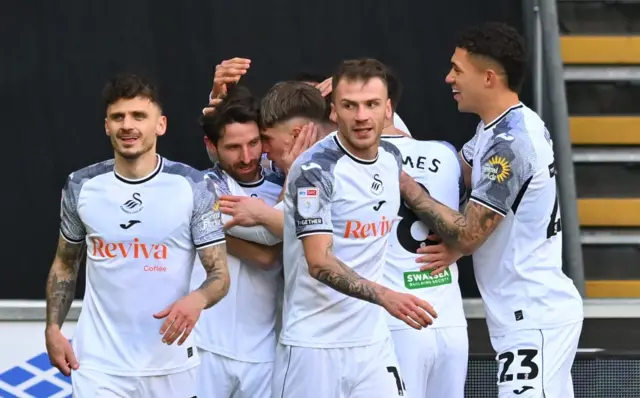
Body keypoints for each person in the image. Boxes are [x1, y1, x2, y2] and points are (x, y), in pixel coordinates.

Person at [399, 22, 584, 398]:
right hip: (525, 313)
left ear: (487, 78)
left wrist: (412, 192)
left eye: (457, 69)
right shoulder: (499, 128)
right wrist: (377, 123)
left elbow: (468, 233)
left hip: (533, 315)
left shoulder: (511, 142)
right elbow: (460, 170)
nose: (448, 77)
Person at [44, 73, 231, 397]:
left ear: (160, 124)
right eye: (118, 117)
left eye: (138, 116)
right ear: (106, 125)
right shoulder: (81, 185)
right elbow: (65, 264)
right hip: (99, 365)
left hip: (170, 363)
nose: (127, 125)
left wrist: (197, 299)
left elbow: (219, 274)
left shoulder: (194, 186)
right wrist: (52, 328)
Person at [271, 58, 437, 398]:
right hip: (313, 347)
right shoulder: (314, 171)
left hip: (373, 345)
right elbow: (319, 262)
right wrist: (386, 296)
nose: (361, 116)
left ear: (387, 109)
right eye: (350, 105)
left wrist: (459, 244)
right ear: (334, 111)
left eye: (371, 104)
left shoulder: (391, 159)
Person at [190, 85, 285, 398]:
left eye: (254, 143)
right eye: (233, 147)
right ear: (211, 145)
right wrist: (281, 222)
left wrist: (205, 235)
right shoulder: (202, 186)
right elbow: (266, 253)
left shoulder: (286, 182)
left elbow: (270, 248)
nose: (247, 157)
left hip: (265, 352)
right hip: (205, 347)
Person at [379, 70, 469, 397]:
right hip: (450, 321)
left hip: (395, 321)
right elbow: (471, 223)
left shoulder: (352, 163)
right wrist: (459, 249)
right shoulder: (446, 154)